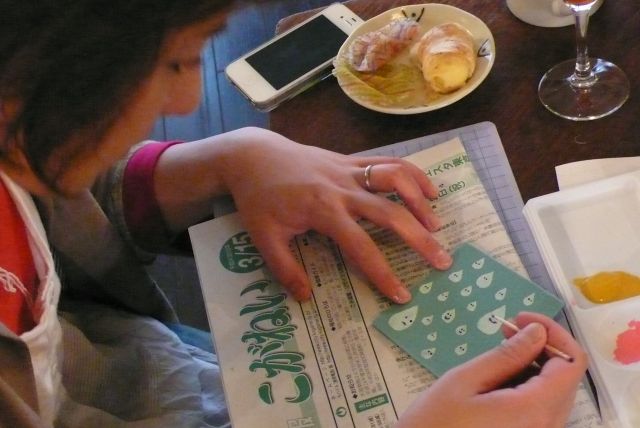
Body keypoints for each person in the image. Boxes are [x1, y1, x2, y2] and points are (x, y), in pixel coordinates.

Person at [0, 1, 588, 427]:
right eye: (175, 62)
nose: (186, 101)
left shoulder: (26, 136)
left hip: (164, 362)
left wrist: (231, 159)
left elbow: (56, 174)